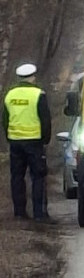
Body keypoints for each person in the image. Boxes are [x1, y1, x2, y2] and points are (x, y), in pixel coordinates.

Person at [2, 64, 52, 222]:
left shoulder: (9, 95)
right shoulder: (38, 94)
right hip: (34, 142)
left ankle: (19, 213)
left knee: (17, 177)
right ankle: (40, 214)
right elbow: (45, 120)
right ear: (32, 77)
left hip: (15, 142)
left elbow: (5, 119)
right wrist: (46, 139)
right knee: (38, 177)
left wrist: (9, 137)